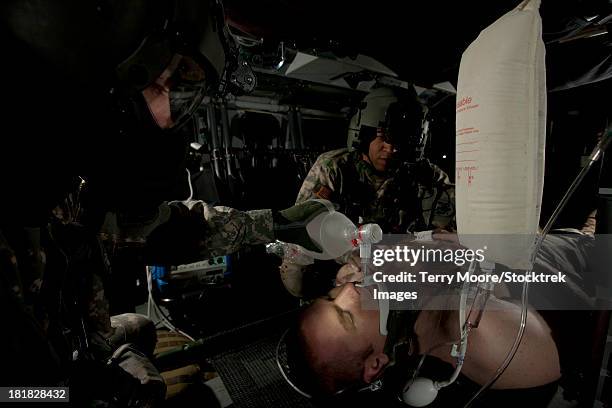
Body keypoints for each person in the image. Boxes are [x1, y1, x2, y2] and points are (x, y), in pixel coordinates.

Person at [0, 0, 330, 404]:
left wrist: (276, 222)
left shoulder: (75, 192)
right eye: (177, 87)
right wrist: (75, 392)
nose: (176, 120)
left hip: (77, 345)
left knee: (139, 328)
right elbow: (13, 392)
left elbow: (170, 228)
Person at [283, 230, 601, 407]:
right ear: (376, 363)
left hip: (554, 238)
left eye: (330, 295)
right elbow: (583, 301)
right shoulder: (494, 335)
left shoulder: (420, 316)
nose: (347, 288)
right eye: (345, 315)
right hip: (586, 255)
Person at [280, 86, 455, 296]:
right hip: (340, 258)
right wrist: (350, 255)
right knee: (297, 268)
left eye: (398, 139)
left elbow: (449, 225)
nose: (390, 148)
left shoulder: (425, 174)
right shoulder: (334, 167)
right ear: (363, 133)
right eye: (381, 136)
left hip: (397, 260)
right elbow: (306, 225)